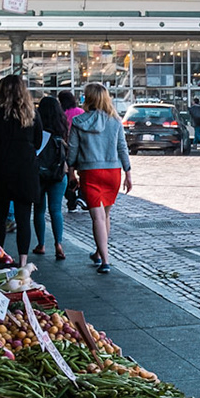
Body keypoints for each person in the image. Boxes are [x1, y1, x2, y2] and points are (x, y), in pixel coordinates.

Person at [68, 82, 132, 274]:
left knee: (97, 217)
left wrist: (70, 171)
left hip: (90, 172)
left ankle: (105, 260)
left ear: (87, 98)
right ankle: (98, 253)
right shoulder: (115, 121)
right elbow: (122, 148)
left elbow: (72, 150)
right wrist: (128, 173)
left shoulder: (79, 122)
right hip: (112, 172)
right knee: (105, 215)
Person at [0, 74, 42, 264]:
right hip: (25, 170)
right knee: (24, 218)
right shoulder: (32, 114)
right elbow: (38, 141)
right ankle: (23, 261)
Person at [30, 95, 71, 262]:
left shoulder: (36, 127)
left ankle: (41, 244)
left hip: (39, 174)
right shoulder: (62, 127)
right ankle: (58, 243)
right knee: (56, 210)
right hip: (58, 173)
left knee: (39, 210)